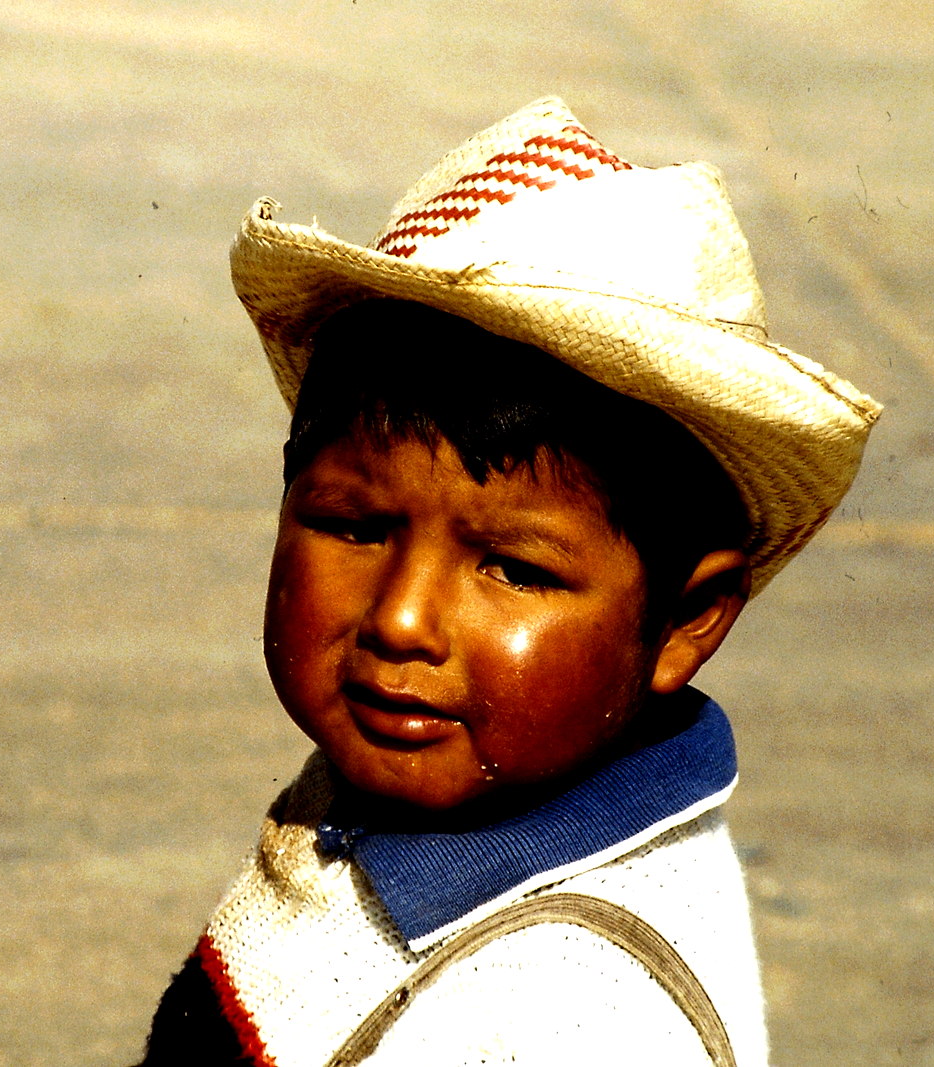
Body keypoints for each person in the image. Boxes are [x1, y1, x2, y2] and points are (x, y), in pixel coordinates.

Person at [137, 96, 881, 1067]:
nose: (400, 620)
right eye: (355, 526)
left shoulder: (570, 1016)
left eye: (514, 568)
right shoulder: (410, 780)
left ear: (687, 618)